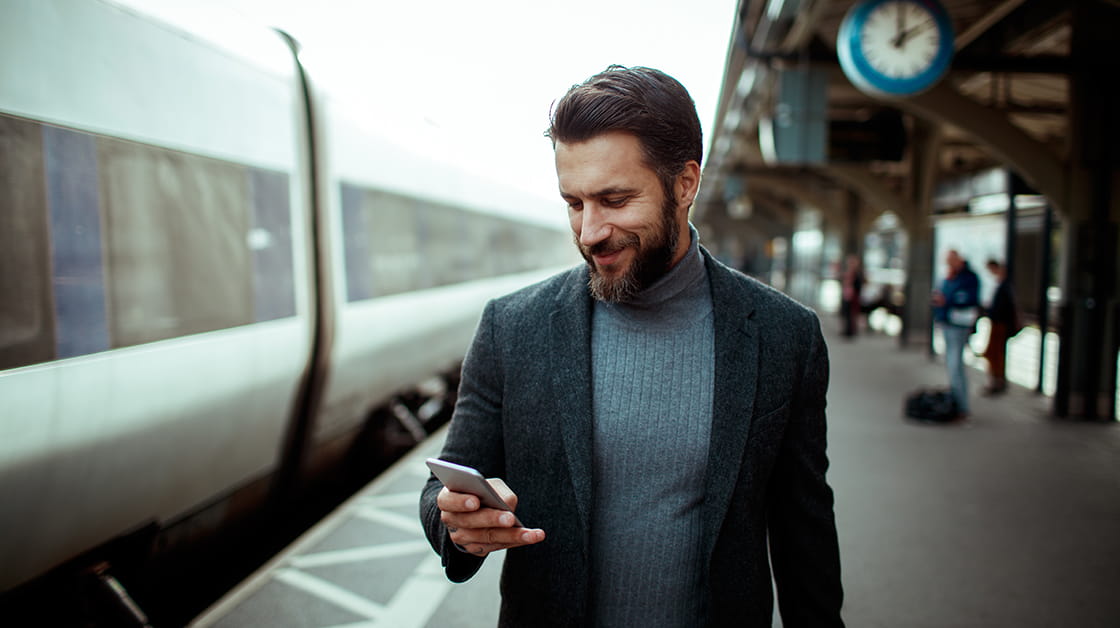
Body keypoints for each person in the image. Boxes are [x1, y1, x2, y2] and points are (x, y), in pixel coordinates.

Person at [419, 65, 844, 627]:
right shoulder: (511, 327)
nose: (590, 231)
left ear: (685, 184)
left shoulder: (783, 334)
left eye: (615, 200)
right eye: (575, 203)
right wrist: (459, 524)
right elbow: (443, 484)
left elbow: (803, 529)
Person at [931, 249, 981, 418]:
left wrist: (947, 300)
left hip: (958, 324)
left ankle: (961, 406)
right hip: (947, 322)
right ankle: (956, 401)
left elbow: (966, 298)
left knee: (955, 364)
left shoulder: (968, 277)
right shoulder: (949, 276)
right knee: (952, 363)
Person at [982, 259, 1019, 394]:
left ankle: (997, 381)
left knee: (995, 354)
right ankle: (996, 380)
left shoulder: (1005, 287)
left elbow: (1005, 308)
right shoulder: (1002, 286)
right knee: (994, 354)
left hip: (1000, 324)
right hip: (997, 323)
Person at [840, 253, 865, 338]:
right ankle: (848, 330)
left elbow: (857, 285)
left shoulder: (856, 274)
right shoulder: (850, 273)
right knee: (847, 313)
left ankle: (851, 331)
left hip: (853, 296)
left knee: (851, 313)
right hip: (848, 295)